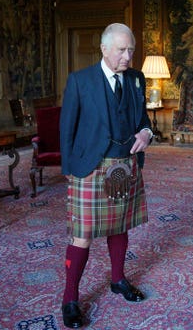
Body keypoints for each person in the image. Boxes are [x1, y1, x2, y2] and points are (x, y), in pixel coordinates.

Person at [59, 22, 154, 329]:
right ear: (104, 49)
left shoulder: (137, 79)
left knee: (120, 225)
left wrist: (146, 132)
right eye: (122, 50)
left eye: (131, 50)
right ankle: (70, 298)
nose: (128, 56)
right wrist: (70, 172)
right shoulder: (80, 81)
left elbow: (143, 120)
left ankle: (118, 280)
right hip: (89, 166)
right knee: (82, 234)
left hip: (125, 165)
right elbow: (66, 129)